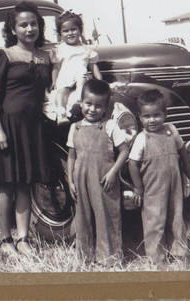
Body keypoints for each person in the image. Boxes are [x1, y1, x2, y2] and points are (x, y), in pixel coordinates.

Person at [0, 1, 54, 256]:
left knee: (25, 184)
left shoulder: (46, 57)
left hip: (32, 129)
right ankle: (5, 241)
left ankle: (23, 239)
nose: (29, 28)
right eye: (23, 24)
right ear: (13, 28)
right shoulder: (5, 55)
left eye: (34, 23)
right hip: (8, 127)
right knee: (6, 186)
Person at [66, 79, 134, 265]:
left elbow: (124, 151)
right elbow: (71, 156)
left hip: (104, 179)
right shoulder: (75, 127)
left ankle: (109, 257)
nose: (92, 109)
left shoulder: (110, 126)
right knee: (83, 217)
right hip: (80, 180)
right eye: (88, 104)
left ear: (105, 108)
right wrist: (70, 181)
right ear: (80, 103)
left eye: (98, 106)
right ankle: (85, 256)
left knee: (107, 216)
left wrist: (113, 173)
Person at [128, 89, 190, 266]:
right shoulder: (142, 138)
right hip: (153, 187)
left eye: (156, 115)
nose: (152, 120)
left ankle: (178, 253)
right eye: (147, 116)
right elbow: (132, 163)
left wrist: (187, 168)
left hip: (174, 184)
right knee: (154, 220)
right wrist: (138, 187)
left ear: (165, 114)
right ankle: (157, 258)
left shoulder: (171, 130)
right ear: (140, 117)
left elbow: (181, 149)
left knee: (176, 217)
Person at [51, 11, 102, 124]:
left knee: (82, 83)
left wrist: (100, 81)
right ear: (60, 34)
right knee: (62, 90)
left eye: (73, 29)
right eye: (65, 31)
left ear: (80, 30)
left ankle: (78, 103)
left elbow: (93, 66)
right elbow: (56, 67)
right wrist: (54, 81)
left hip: (81, 75)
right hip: (65, 76)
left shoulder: (86, 50)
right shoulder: (60, 49)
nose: (70, 33)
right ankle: (61, 113)